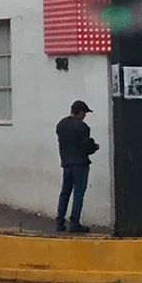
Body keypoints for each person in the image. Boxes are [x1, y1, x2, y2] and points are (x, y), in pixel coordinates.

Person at [55, 99, 99, 233]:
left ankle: (59, 222)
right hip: (80, 164)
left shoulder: (61, 124)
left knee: (65, 193)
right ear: (80, 112)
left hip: (66, 164)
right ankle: (74, 223)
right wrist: (94, 146)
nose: (85, 116)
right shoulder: (82, 127)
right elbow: (86, 146)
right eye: (84, 113)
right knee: (78, 194)